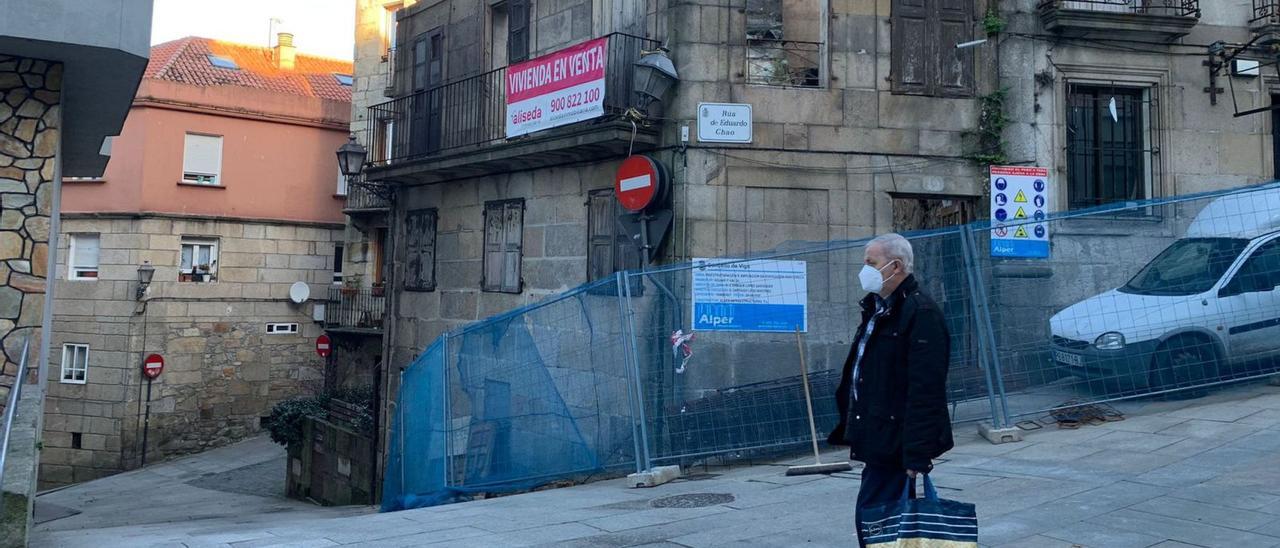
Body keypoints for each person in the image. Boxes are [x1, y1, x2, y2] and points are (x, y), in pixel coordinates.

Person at [828, 233, 955, 546]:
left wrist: (916, 454)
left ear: (895, 266)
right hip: (877, 435)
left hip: (896, 441)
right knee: (879, 519)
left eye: (871, 263)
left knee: (874, 518)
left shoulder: (920, 314)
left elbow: (926, 391)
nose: (865, 270)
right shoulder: (878, 309)